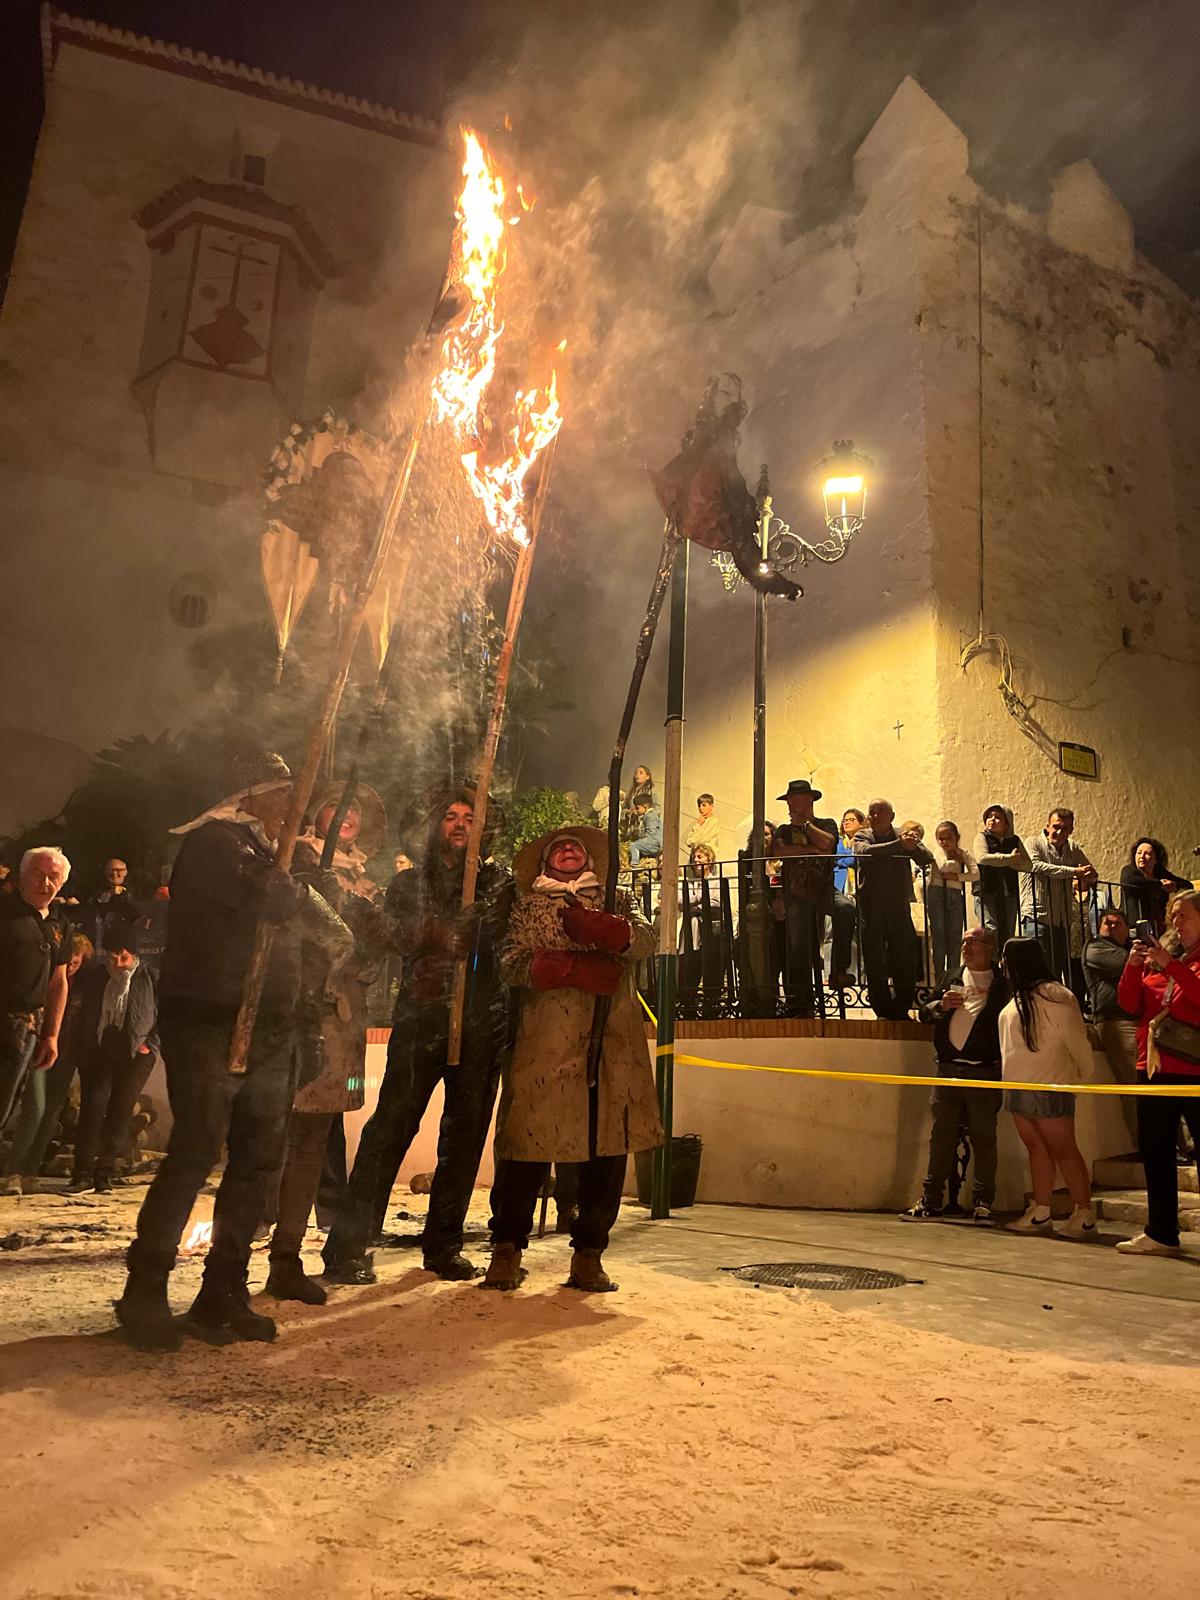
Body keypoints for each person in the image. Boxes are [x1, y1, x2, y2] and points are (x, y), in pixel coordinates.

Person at [115, 751, 346, 1351]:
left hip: (270, 1025)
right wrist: (301, 893)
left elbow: (309, 945)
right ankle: (143, 1292)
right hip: (210, 1019)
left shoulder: (276, 854)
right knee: (195, 1150)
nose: (294, 805)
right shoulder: (215, 845)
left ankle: (223, 1292)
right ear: (251, 795)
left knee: (259, 1159)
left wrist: (305, 1022)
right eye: (283, 793)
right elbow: (273, 904)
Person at [322, 786, 514, 1285]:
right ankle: (348, 1246)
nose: (459, 824)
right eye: (450, 816)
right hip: (421, 1017)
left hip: (479, 1021)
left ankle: (443, 1244)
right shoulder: (411, 884)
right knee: (389, 1128)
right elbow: (394, 935)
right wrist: (434, 932)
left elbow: (498, 939)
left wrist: (477, 927)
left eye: (469, 817)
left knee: (465, 1135)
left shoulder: (498, 882)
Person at [483, 825, 660, 1291]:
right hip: (546, 1043)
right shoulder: (530, 907)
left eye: (575, 847)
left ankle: (589, 1254)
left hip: (611, 1044)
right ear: (544, 862)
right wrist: (566, 967)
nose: (567, 851)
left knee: (606, 1146)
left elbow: (646, 941)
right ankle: (506, 1249)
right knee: (529, 1144)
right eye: (557, 847)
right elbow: (510, 962)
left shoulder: (618, 900)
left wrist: (613, 932)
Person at [1114, 889, 1200, 1257]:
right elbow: (1129, 1003)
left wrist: (1172, 967)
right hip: (1153, 1065)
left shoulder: (1181, 961)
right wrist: (1134, 966)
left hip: (1193, 1068)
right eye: (1173, 916)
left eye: (1183, 915)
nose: (1175, 923)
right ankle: (1161, 1231)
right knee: (1155, 1149)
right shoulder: (1165, 954)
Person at [901, 926, 1008, 1224]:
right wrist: (940, 1005)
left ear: (989, 947)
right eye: (963, 941)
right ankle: (931, 1199)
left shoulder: (1002, 984)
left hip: (984, 1073)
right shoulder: (952, 976)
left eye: (973, 942)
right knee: (941, 1137)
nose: (966, 946)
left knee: (985, 1138)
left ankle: (983, 1202)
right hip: (946, 1071)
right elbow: (924, 1013)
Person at [999, 937, 1096, 1238]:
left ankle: (1084, 1213)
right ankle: (1041, 1210)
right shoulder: (1018, 997)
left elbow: (1077, 1042)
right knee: (1036, 1148)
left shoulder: (1056, 996)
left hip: (1049, 1082)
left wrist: (1081, 1076)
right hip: (1018, 1084)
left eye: (1006, 958)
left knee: (1064, 1148)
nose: (1002, 965)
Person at [66, 923, 159, 1194]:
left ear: (135, 956)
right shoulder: (96, 976)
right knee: (92, 1108)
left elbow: (162, 1014)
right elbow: (84, 1012)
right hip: (100, 1046)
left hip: (135, 1051)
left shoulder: (149, 977)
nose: (118, 963)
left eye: (125, 956)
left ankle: (104, 1172)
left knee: (121, 1109)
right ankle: (81, 1173)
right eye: (113, 956)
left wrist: (149, 1044)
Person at [0, 931, 92, 1194]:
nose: (73, 964)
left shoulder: (84, 985)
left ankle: (31, 1169)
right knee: (36, 1107)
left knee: (51, 1113)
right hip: (40, 1048)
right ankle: (13, 1170)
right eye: (70, 959)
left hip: (68, 1054)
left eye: (77, 960)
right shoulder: (46, 980)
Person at [0, 848, 74, 1135]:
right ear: (22, 875)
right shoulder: (4, 911)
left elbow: (59, 981)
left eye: (53, 877)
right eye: (38, 875)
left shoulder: (60, 924)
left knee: (6, 1105)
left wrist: (52, 1034)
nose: (45, 884)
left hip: (28, 1028)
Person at [852, 801, 934, 1021]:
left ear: (892, 815)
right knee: (874, 958)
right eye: (872, 812)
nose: (875, 815)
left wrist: (912, 846)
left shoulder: (905, 835)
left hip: (898, 905)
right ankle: (882, 1009)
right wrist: (901, 846)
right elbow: (864, 852)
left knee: (903, 957)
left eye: (881, 812)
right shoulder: (863, 835)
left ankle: (901, 1007)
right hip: (871, 906)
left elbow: (927, 858)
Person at [774, 780, 838, 1017]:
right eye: (789, 799)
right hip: (796, 892)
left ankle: (838, 971)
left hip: (824, 889)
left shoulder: (826, 823)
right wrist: (813, 850)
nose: (790, 803)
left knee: (845, 910)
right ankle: (800, 1002)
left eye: (795, 798)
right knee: (797, 947)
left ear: (809, 799)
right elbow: (779, 851)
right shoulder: (783, 829)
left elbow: (829, 843)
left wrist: (806, 825)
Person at [1083, 907, 1141, 1154]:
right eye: (1107, 923)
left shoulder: (1131, 949)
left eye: (1118, 923)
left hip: (1140, 1021)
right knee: (1137, 1085)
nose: (1112, 927)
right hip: (1117, 1022)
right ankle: (1150, 1145)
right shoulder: (1095, 947)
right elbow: (1129, 965)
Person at [1020, 808, 1097, 993]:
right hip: (1038, 915)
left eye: (1065, 829)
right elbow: (1037, 866)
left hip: (1062, 920)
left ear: (1071, 830)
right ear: (1047, 826)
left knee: (1055, 974)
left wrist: (1090, 875)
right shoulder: (1033, 843)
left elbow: (1090, 872)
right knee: (1037, 971)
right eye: (1056, 827)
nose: (1060, 832)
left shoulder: (1073, 849)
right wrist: (1074, 872)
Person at [928, 822, 978, 984]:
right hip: (936, 892)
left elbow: (975, 874)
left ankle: (953, 977)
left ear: (957, 837)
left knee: (955, 936)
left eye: (948, 838)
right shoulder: (939, 852)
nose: (944, 843)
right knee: (939, 935)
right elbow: (942, 866)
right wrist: (957, 862)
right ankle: (939, 979)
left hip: (955, 893)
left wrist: (957, 877)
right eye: (940, 839)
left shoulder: (964, 853)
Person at [972, 805, 1030, 945]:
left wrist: (1001, 860)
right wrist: (1009, 859)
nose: (992, 820)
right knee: (990, 929)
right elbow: (982, 858)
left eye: (998, 817)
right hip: (986, 891)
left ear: (1007, 823)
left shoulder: (1014, 840)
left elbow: (1028, 864)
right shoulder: (982, 837)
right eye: (989, 816)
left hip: (1008, 892)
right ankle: (991, 964)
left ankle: (1005, 964)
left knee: (1008, 932)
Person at [1119, 838, 1191, 935]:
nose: (1142, 856)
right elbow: (1129, 881)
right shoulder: (1129, 870)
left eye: (1147, 853)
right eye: (1139, 853)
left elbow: (1187, 885)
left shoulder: (1160, 873)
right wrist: (1159, 885)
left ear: (1156, 859)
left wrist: (1174, 886)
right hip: (1135, 926)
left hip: (1160, 927)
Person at [830, 808, 865, 988]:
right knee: (837, 933)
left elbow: (856, 859)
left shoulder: (864, 839)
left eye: (851, 819)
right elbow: (840, 858)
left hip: (860, 892)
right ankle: (837, 972)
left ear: (861, 823)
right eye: (845, 820)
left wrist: (846, 859)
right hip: (841, 889)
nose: (847, 822)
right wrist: (849, 858)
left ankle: (861, 975)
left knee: (861, 935)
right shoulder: (839, 841)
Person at [627, 796, 663, 869]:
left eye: (637, 808)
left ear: (645, 807)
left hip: (654, 841)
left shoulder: (651, 815)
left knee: (634, 845)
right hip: (654, 841)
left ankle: (634, 865)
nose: (636, 810)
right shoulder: (648, 815)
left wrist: (642, 841)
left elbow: (651, 832)